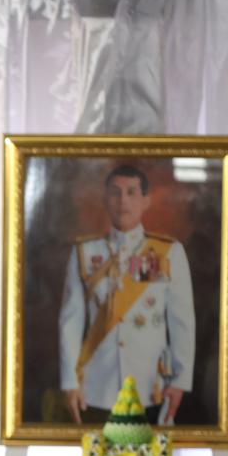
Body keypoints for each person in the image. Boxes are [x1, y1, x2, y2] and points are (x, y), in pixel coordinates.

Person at [57, 164, 195, 425]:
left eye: (132, 192)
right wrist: (69, 382)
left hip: (150, 386)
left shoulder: (169, 252)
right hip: (96, 387)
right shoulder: (85, 253)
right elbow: (70, 323)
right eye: (115, 192)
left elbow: (182, 322)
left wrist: (180, 381)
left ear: (146, 201)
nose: (123, 201)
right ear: (105, 199)